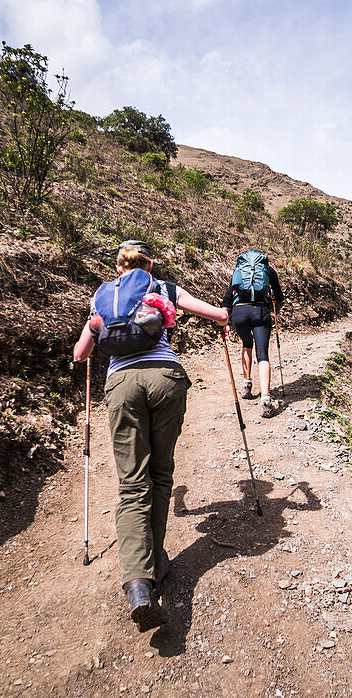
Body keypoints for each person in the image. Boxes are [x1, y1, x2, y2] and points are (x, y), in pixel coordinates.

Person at [73, 240, 229, 632]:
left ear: (118, 265)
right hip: (165, 379)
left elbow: (80, 354)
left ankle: (139, 586)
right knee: (159, 476)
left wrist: (93, 340)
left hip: (121, 385)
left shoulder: (102, 295)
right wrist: (226, 317)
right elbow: (215, 315)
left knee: (131, 485)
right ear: (150, 263)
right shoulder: (162, 287)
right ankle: (156, 560)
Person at [220, 249, 284, 418]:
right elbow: (279, 296)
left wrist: (224, 319)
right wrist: (272, 300)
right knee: (263, 355)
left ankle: (247, 385)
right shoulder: (268, 270)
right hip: (261, 312)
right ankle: (265, 400)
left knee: (246, 344)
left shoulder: (239, 270)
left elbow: (229, 295)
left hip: (240, 313)